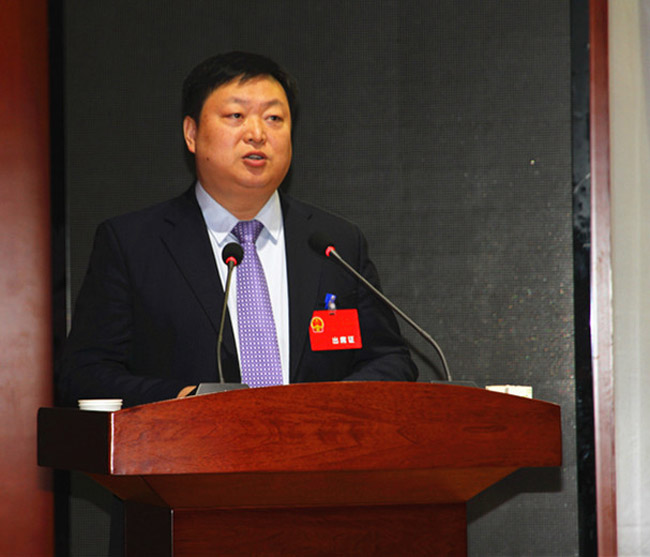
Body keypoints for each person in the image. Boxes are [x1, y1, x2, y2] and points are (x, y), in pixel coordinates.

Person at [58, 51, 417, 408]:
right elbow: (84, 373)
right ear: (192, 133)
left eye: (274, 118)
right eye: (236, 116)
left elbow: (390, 360)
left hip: (319, 441)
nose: (257, 134)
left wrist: (328, 406)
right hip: (188, 443)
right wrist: (182, 401)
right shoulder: (133, 245)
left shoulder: (335, 244)